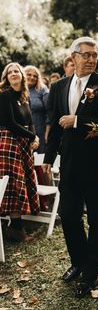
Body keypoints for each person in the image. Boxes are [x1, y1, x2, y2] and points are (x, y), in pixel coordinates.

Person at [43, 37, 98, 298]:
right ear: (72, 57)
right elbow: (53, 123)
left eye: (94, 55)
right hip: (69, 164)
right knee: (69, 215)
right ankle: (79, 261)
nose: (91, 59)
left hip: (96, 165)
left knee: (97, 220)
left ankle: (90, 273)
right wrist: (48, 158)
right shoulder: (59, 86)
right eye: (85, 55)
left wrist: (78, 120)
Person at [0, 62, 40, 241]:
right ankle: (16, 228)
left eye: (17, 71)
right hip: (8, 142)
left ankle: (15, 227)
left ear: (22, 75)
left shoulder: (24, 97)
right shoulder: (5, 95)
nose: (14, 74)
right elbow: (9, 123)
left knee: (21, 181)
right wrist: (32, 137)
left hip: (23, 142)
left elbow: (30, 121)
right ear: (7, 78)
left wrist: (35, 137)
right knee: (13, 184)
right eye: (10, 73)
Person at [25, 65, 50, 210]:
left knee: (42, 165)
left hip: (40, 131)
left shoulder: (43, 90)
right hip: (24, 132)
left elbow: (50, 113)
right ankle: (30, 199)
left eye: (35, 75)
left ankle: (46, 199)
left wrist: (47, 133)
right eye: (28, 74)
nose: (32, 78)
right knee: (28, 165)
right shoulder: (19, 90)